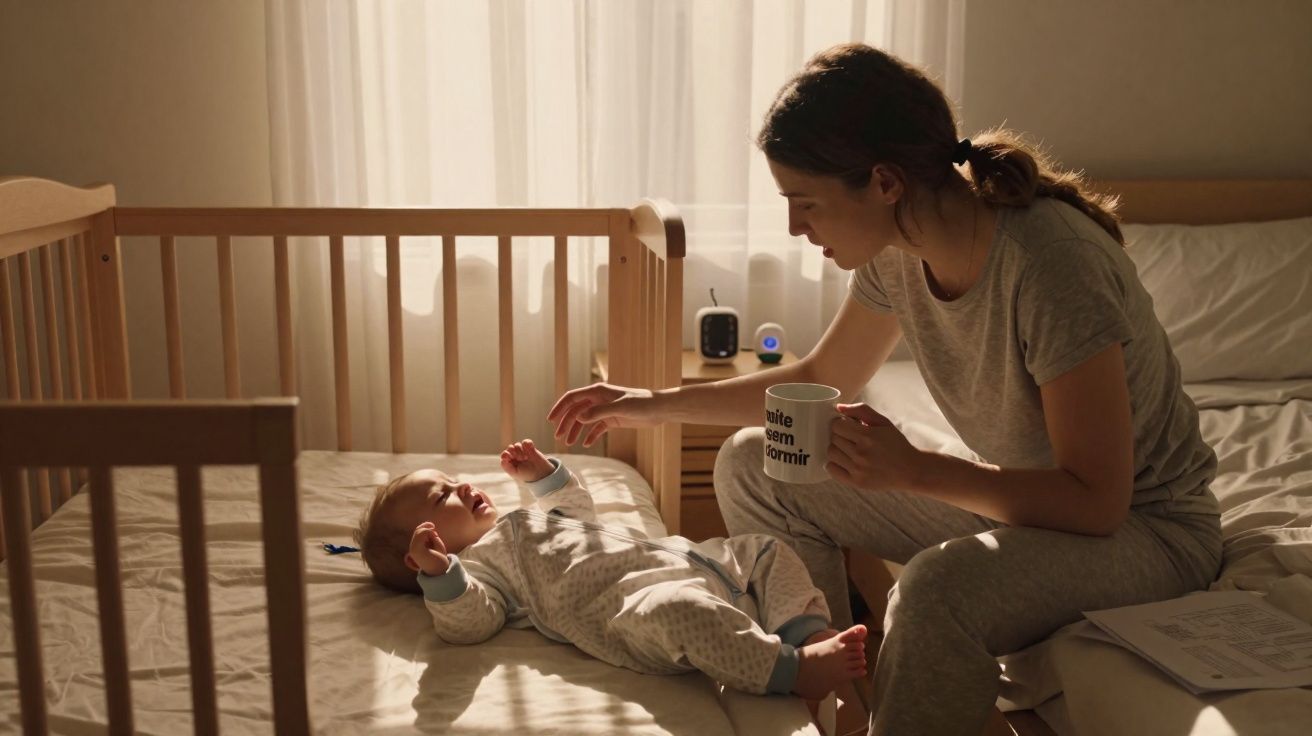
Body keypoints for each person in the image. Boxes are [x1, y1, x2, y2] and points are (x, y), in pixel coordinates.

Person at [547, 43, 1221, 735]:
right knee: (758, 464)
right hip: (1026, 509)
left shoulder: (1051, 267)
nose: (794, 227)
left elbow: (1098, 501)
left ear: (885, 183)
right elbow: (816, 379)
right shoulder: (898, 254)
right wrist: (653, 405)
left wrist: (916, 471)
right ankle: (829, 697)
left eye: (804, 203)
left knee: (935, 587)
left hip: (1149, 532)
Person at [352, 438, 869, 700]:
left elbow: (576, 510)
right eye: (443, 495)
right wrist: (440, 575)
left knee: (765, 548)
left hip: (686, 559)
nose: (462, 486)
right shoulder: (480, 571)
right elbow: (470, 623)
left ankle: (806, 633)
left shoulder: (519, 519)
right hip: (633, 607)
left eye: (452, 479)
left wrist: (545, 475)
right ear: (423, 549)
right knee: (682, 611)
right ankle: (790, 671)